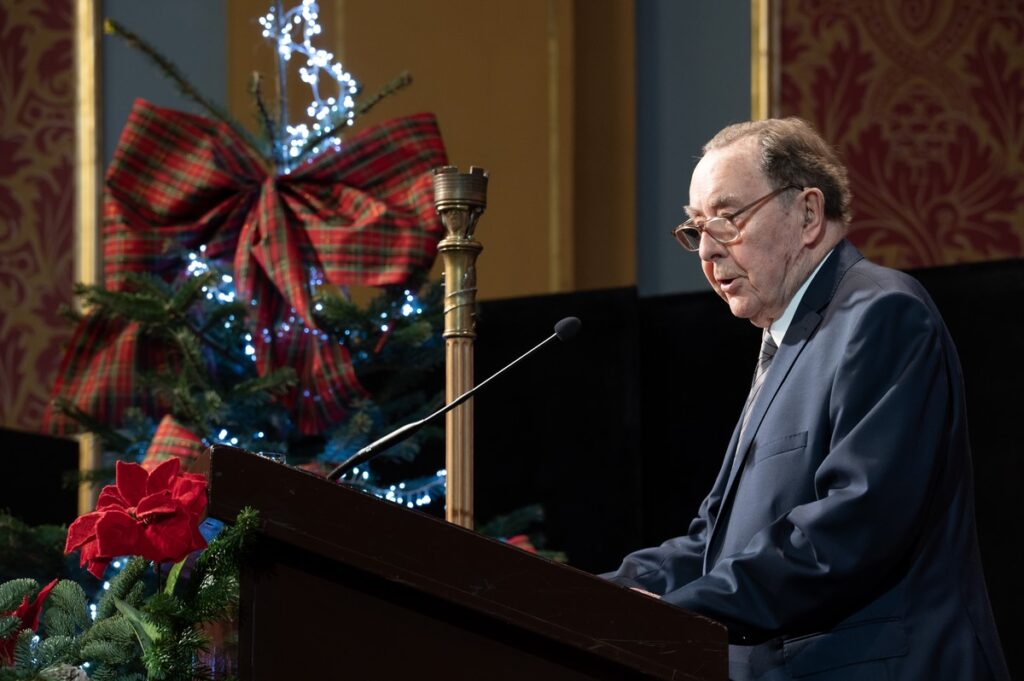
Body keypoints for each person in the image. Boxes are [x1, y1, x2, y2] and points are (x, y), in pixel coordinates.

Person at [602, 118, 1010, 680]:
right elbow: (713, 545)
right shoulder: (788, 340)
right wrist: (598, 597)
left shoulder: (879, 314)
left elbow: (853, 526)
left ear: (809, 213)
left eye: (726, 219)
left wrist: (678, 613)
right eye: (696, 228)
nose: (707, 251)